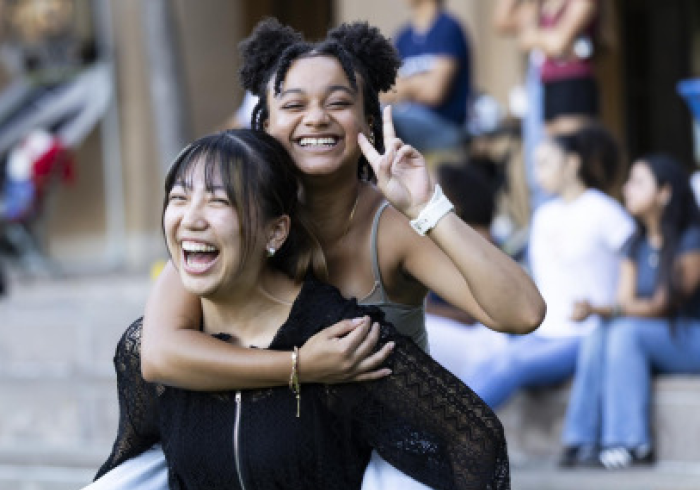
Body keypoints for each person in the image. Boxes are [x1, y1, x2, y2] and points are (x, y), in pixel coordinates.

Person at [138, 18, 545, 490]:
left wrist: (427, 208)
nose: (316, 118)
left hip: (381, 460)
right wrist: (300, 366)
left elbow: (523, 313)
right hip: (275, 456)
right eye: (294, 105)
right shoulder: (239, 219)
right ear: (264, 124)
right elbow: (160, 352)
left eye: (338, 103)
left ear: (368, 120)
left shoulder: (392, 226)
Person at [93, 128, 510, 489]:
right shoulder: (157, 350)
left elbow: (475, 441)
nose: (191, 219)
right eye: (179, 199)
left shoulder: (344, 340)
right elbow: (135, 467)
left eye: (219, 202)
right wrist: (297, 367)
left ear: (276, 232)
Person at [463, 123, 633, 411]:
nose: (537, 172)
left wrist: (616, 308)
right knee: (492, 360)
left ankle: (444, 438)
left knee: (512, 362)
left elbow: (635, 265)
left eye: (545, 163)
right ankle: (432, 436)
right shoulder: (544, 215)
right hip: (543, 333)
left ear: (571, 163)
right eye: (535, 163)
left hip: (586, 334)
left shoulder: (605, 210)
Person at [561, 153, 700, 469]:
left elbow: (663, 306)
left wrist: (599, 308)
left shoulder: (692, 238)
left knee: (625, 332)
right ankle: (581, 441)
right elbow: (623, 303)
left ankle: (631, 443)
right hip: (660, 338)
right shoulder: (635, 244)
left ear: (665, 192)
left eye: (638, 182)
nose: (627, 189)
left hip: (691, 335)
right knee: (600, 333)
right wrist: (604, 312)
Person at [381, 0, 471, 153]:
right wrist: (420, 84)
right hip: (408, 119)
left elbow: (435, 93)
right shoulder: (404, 36)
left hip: (445, 126)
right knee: (372, 115)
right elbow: (385, 91)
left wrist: (405, 86)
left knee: (386, 120)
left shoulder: (448, 28)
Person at [517, 0, 604, 135]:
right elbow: (523, 40)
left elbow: (559, 42)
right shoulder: (541, 3)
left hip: (574, 82)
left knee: (572, 146)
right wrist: (550, 40)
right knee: (552, 148)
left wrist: (538, 37)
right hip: (547, 81)